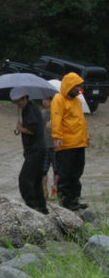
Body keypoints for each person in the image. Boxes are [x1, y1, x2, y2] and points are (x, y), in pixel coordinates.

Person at [51, 72, 89, 211]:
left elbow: (80, 122)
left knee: (77, 172)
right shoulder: (59, 99)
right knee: (65, 174)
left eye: (80, 86)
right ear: (70, 85)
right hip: (66, 144)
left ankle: (74, 199)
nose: (79, 89)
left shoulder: (77, 101)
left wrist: (85, 137)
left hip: (79, 143)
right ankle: (65, 202)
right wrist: (57, 136)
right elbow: (56, 118)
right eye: (77, 86)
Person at [10, 87, 48, 214]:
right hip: (36, 150)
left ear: (25, 98)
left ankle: (32, 206)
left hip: (36, 150)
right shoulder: (27, 109)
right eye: (15, 102)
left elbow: (32, 130)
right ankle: (42, 208)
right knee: (36, 181)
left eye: (19, 101)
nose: (18, 104)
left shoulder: (31, 110)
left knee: (24, 180)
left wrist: (21, 128)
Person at [41, 96, 58, 199]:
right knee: (43, 170)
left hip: (56, 146)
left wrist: (54, 127)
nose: (44, 101)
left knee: (57, 170)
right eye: (44, 99)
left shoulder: (57, 114)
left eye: (47, 99)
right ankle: (44, 189)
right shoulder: (42, 114)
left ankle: (55, 190)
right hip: (45, 145)